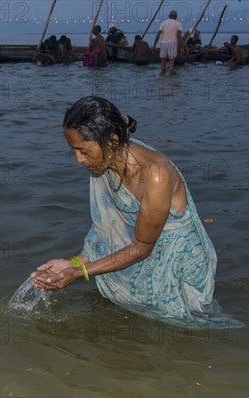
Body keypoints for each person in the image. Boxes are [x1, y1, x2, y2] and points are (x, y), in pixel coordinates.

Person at [31, 96, 223, 326]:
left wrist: (79, 272)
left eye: (83, 151)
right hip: (147, 261)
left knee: (191, 333)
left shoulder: (155, 174)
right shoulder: (104, 163)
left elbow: (141, 247)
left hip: (179, 269)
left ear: (112, 140)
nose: (78, 160)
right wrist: (71, 263)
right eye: (73, 150)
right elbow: (107, 232)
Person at [154, 10, 183, 74]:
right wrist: (181, 47)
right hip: (173, 43)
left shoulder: (163, 23)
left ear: (169, 16)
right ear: (176, 16)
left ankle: (162, 75)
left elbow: (158, 35)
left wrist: (154, 45)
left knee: (163, 61)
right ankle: (171, 75)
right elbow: (179, 36)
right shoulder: (178, 24)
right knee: (171, 61)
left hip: (163, 43)